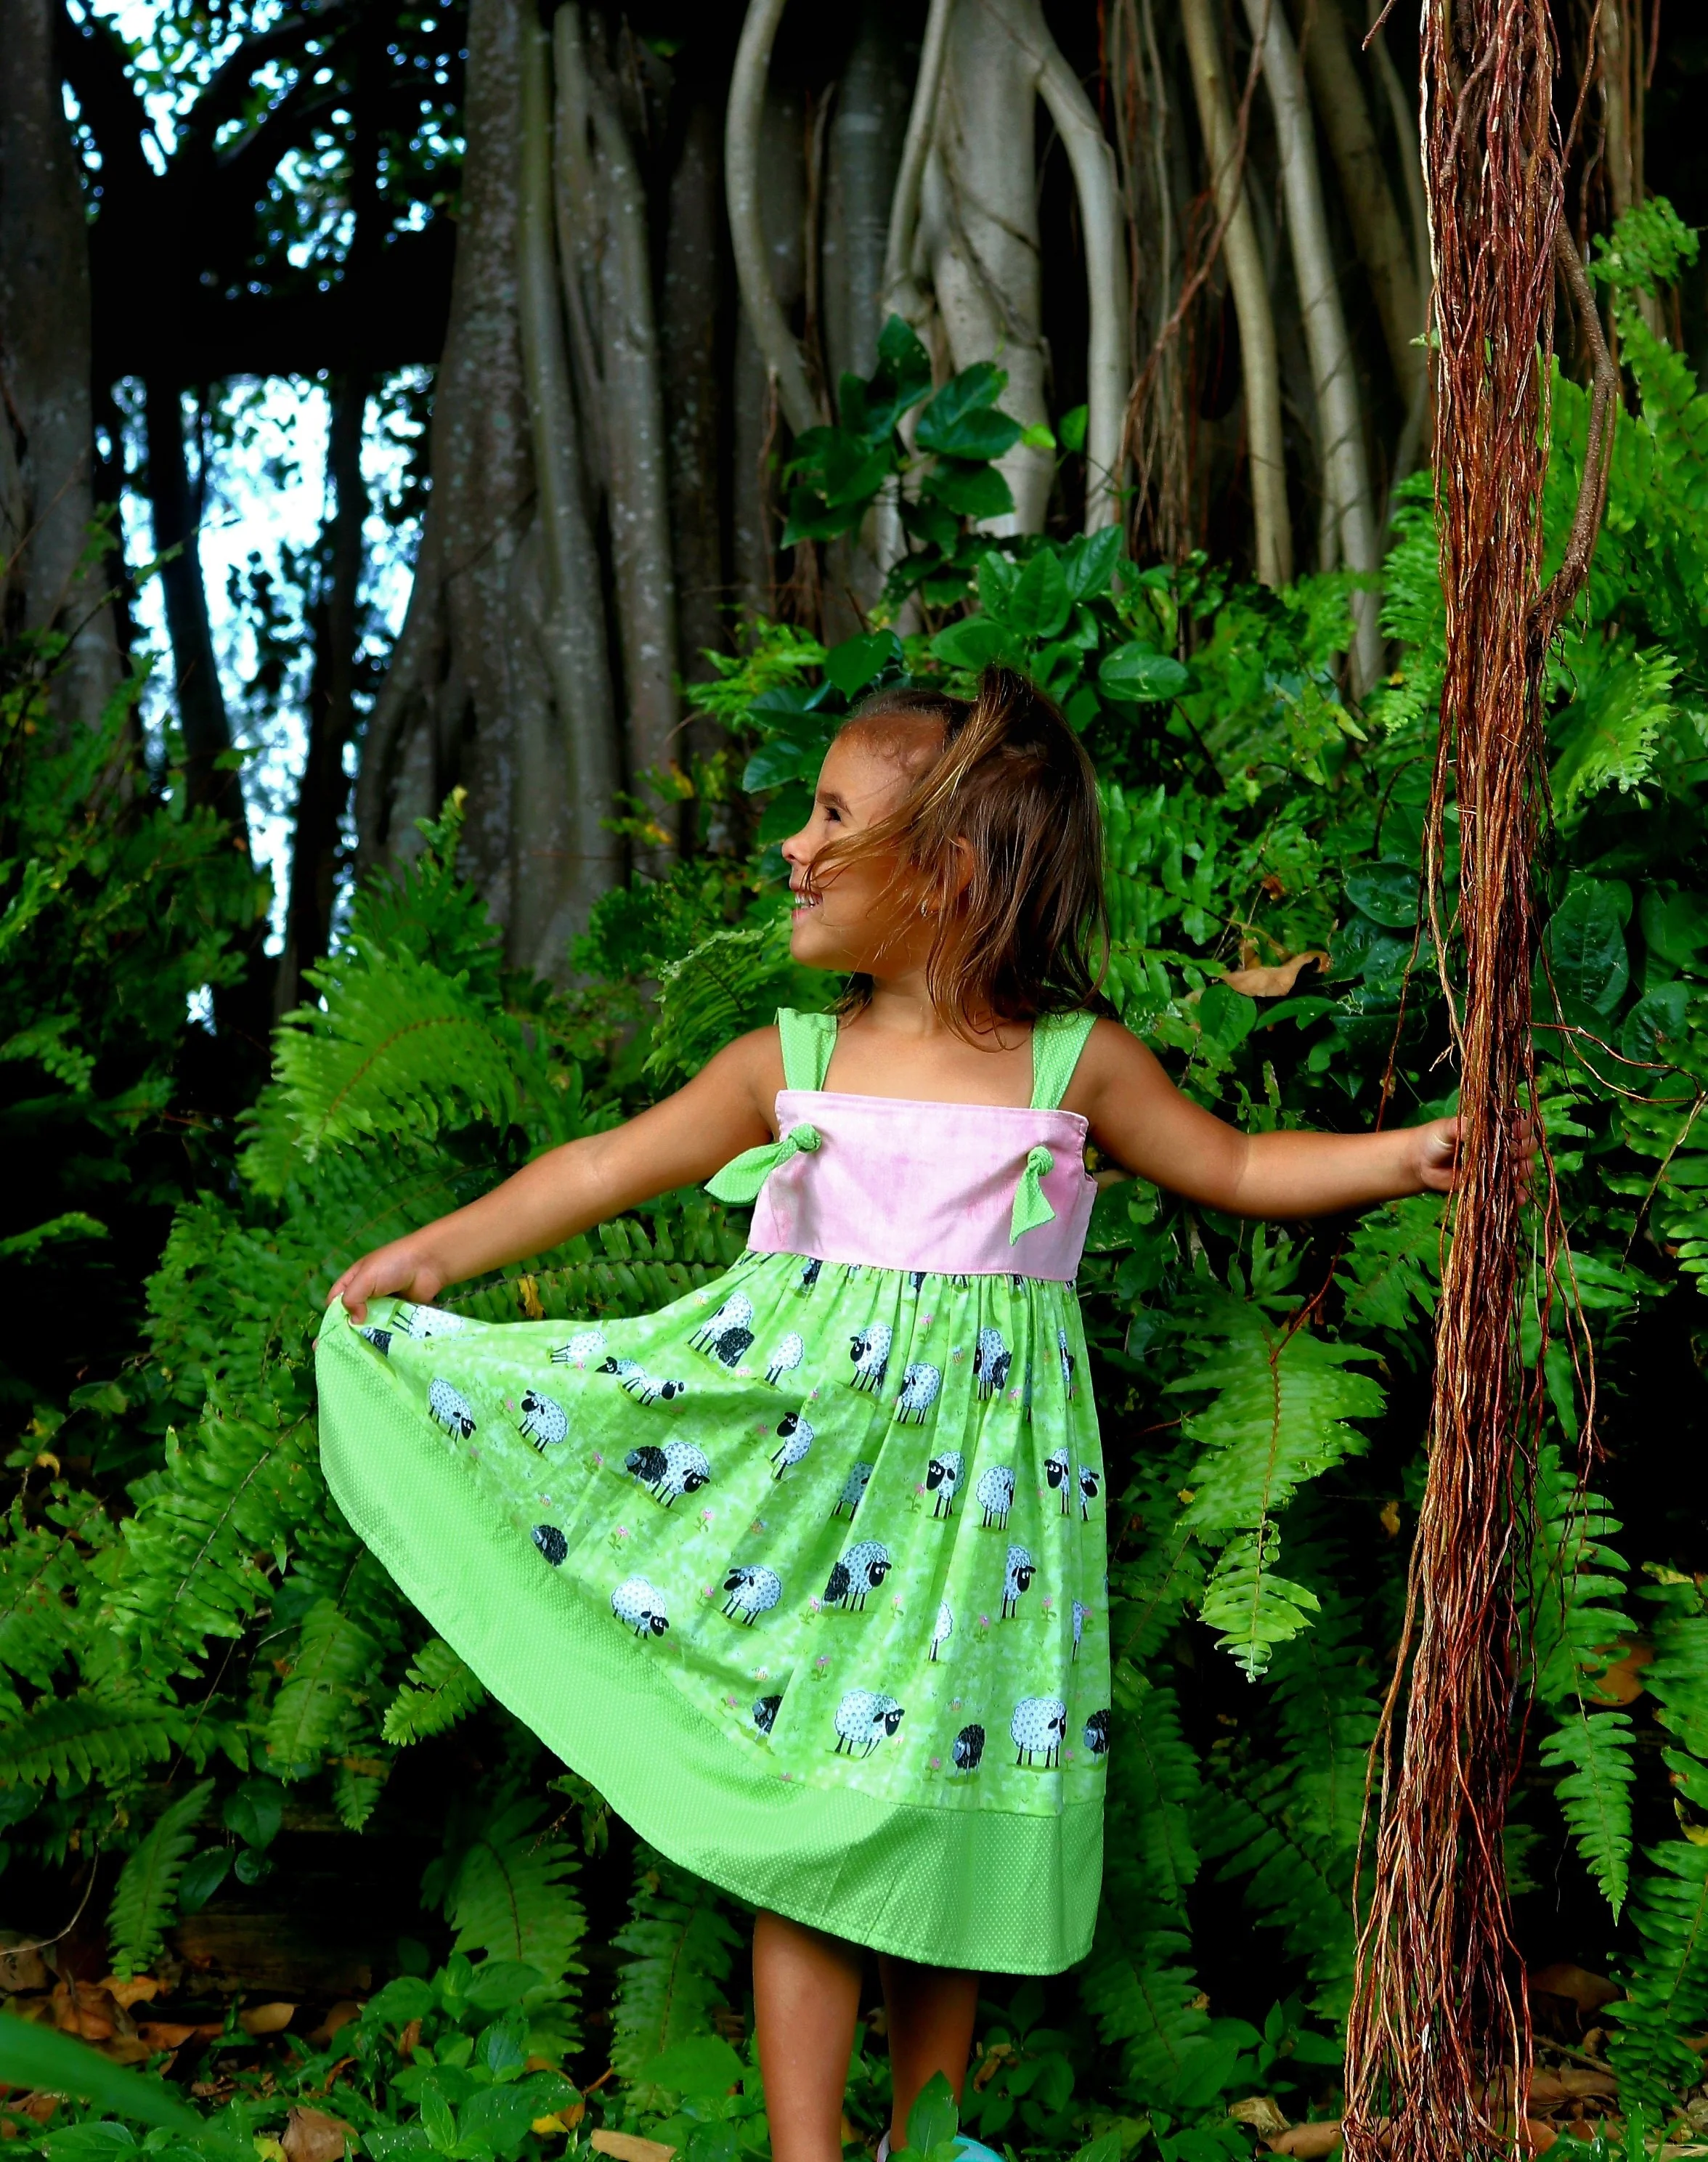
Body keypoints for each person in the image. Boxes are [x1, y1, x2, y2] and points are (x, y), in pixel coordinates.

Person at [317, 668, 1462, 2162]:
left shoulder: (1072, 1070)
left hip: (984, 1522)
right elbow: (601, 1170)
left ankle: (930, 2139)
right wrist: (432, 1256)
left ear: (950, 873)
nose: (792, 844)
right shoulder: (789, 1070)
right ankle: (808, 2155)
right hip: (805, 1511)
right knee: (808, 1830)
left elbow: (1238, 1167)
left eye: (832, 817)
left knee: (943, 1818)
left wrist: (1413, 1154)